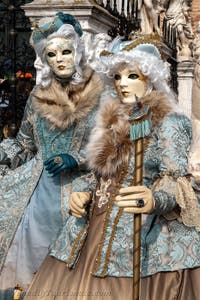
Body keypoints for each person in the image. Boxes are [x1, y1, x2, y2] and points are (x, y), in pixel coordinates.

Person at [25, 35, 200, 300]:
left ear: (150, 78)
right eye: (117, 77)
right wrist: (83, 192)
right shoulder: (112, 120)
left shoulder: (169, 122)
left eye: (132, 76)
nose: (122, 84)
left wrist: (156, 199)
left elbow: (177, 181)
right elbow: (100, 174)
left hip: (141, 231)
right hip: (91, 226)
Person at [0, 12, 103, 298]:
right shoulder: (36, 96)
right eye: (52, 54)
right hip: (36, 188)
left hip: (79, 187)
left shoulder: (99, 94)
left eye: (66, 52)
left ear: (77, 52)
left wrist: (77, 157)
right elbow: (24, 143)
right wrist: (3, 155)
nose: (59, 59)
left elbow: (110, 144)